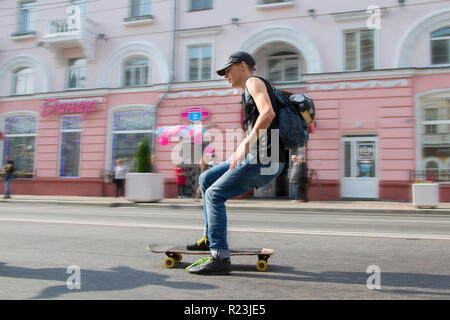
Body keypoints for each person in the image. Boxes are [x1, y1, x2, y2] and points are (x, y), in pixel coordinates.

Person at [186, 51, 286, 275]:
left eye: (227, 70)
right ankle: (208, 237)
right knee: (206, 178)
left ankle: (220, 257)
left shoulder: (253, 82)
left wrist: (245, 146)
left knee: (214, 194)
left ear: (242, 66)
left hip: (265, 159)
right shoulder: (248, 91)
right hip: (260, 157)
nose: (225, 76)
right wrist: (237, 154)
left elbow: (268, 113)